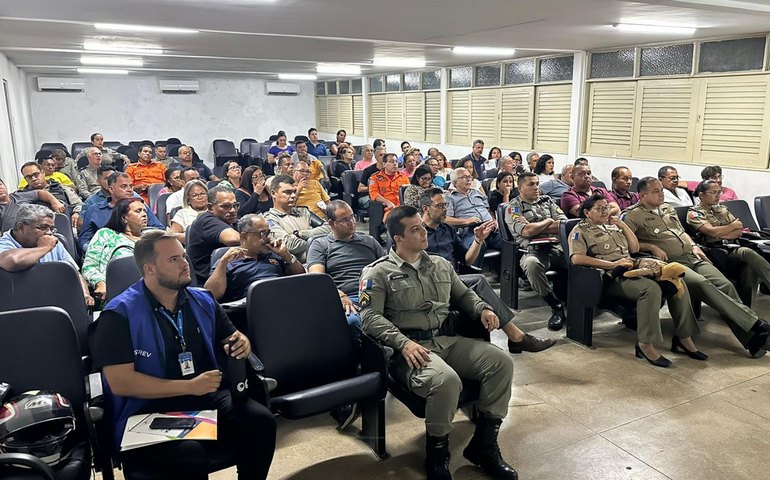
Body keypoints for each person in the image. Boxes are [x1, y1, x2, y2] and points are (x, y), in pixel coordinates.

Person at [91, 230, 276, 479]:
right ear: (149, 270)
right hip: (148, 411)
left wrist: (243, 343)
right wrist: (189, 387)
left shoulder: (203, 299)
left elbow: (233, 338)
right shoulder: (118, 314)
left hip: (204, 398)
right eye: (173, 260)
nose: (184, 264)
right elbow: (120, 382)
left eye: (184, 256)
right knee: (189, 453)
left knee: (260, 422)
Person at [359, 206, 518, 480]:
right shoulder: (378, 273)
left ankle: (484, 445)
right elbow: (369, 318)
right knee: (446, 381)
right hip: (408, 350)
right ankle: (437, 455)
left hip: (445, 339)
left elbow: (463, 294)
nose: (424, 233)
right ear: (398, 238)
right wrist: (403, 344)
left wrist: (482, 309)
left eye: (423, 226)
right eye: (415, 229)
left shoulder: (440, 264)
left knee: (501, 362)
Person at [623, 177, 770, 358]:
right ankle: (755, 325)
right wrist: (651, 246)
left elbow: (681, 232)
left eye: (661, 190)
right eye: (656, 191)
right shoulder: (631, 215)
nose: (661, 193)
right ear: (642, 195)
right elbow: (629, 245)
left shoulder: (668, 208)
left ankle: (751, 338)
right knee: (703, 284)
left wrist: (693, 245)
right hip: (671, 263)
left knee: (726, 285)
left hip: (692, 255)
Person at [570, 193, 705, 367]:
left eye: (607, 207)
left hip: (633, 268)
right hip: (610, 278)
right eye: (600, 208)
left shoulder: (613, 226)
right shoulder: (580, 230)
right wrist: (611, 265)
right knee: (650, 289)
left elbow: (633, 248)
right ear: (588, 212)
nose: (605, 211)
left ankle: (684, 337)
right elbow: (577, 259)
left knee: (676, 281)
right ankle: (645, 344)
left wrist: (622, 225)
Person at [421, 188, 556, 354]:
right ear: (426, 208)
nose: (445, 209)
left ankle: (512, 339)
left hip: (452, 279)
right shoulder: (417, 232)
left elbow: (467, 260)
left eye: (446, 205)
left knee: (476, 283)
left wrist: (478, 240)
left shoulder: (447, 229)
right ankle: (517, 337)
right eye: (440, 205)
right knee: (478, 281)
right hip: (429, 282)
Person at [307, 200, 385, 337]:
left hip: (376, 294)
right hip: (348, 297)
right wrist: (340, 295)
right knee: (353, 322)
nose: (352, 222)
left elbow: (386, 267)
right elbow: (317, 279)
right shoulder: (320, 245)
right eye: (344, 220)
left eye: (352, 217)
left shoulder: (369, 241)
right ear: (331, 223)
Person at [687, 180, 770, 306]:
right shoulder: (694, 213)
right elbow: (711, 232)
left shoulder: (722, 208)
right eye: (713, 192)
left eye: (719, 192)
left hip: (733, 246)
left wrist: (722, 231)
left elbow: (739, 230)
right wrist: (730, 227)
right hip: (715, 251)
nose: (717, 195)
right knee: (747, 252)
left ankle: (745, 307)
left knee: (749, 267)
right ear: (702, 195)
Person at [505, 172, 567, 330]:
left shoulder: (548, 201)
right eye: (531, 184)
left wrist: (537, 228)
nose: (536, 188)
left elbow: (564, 225)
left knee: (581, 258)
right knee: (532, 265)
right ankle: (555, 306)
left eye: (537, 184)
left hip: (557, 247)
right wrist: (548, 221)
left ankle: (581, 301)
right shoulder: (513, 207)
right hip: (533, 251)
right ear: (520, 188)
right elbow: (525, 231)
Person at [0, 204, 94, 306]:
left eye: (51, 229)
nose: (49, 233)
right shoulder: (4, 243)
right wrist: (43, 248)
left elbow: (75, 273)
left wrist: (84, 295)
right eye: (43, 227)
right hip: (19, 307)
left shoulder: (54, 243)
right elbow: (13, 261)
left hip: (55, 302)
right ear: (21, 227)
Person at [205, 214, 304, 302]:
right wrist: (223, 262)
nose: (267, 237)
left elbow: (302, 278)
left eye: (268, 232)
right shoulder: (228, 261)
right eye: (262, 233)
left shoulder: (275, 254)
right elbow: (211, 295)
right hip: (249, 310)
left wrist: (286, 255)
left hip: (283, 301)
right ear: (244, 237)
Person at [82, 198, 147, 302]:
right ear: (124, 217)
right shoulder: (105, 234)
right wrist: (101, 283)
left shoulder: (150, 238)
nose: (144, 214)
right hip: (114, 294)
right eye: (138, 211)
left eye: (144, 211)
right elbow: (89, 266)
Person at [79, 172, 164, 250]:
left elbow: (159, 230)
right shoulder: (94, 210)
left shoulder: (141, 207)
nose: (130, 190)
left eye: (131, 186)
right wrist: (98, 251)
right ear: (111, 189)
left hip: (141, 251)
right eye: (123, 186)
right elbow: (84, 240)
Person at [263, 175, 331, 262]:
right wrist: (320, 242)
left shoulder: (303, 211)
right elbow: (288, 245)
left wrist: (301, 234)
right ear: (273, 193)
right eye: (287, 192)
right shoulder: (269, 219)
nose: (293, 195)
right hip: (299, 266)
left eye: (294, 191)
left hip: (325, 255)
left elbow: (329, 228)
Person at [445, 167, 502, 265]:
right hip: (470, 231)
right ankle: (471, 275)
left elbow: (488, 210)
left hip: (490, 228)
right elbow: (446, 219)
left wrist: (494, 220)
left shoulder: (477, 193)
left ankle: (507, 276)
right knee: (479, 243)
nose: (468, 179)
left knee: (508, 241)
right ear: (455, 183)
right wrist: (466, 221)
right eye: (464, 177)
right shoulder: (450, 198)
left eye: (469, 176)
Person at [187, 185, 241, 285]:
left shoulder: (232, 220)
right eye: (226, 206)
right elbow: (233, 239)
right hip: (209, 282)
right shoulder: (205, 220)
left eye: (235, 205)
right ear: (210, 207)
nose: (233, 210)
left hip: (231, 276)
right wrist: (256, 239)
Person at [20, 161, 82, 227]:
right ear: (25, 179)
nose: (34, 179)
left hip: (64, 225)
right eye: (29, 177)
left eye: (36, 174)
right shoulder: (22, 196)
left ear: (43, 173)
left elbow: (79, 204)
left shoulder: (62, 189)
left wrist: (76, 213)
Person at [0, 177, 65, 231]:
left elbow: (40, 193)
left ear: (5, 185)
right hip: (18, 240)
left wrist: (54, 202)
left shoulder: (18, 196)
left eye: (0, 185)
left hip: (43, 229)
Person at [368, 153, 409, 220]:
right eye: (391, 162)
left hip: (402, 207)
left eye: (396, 161)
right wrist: (387, 202)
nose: (395, 164)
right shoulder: (375, 178)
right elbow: (374, 194)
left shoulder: (403, 177)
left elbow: (408, 193)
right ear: (384, 164)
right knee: (393, 218)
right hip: (387, 208)